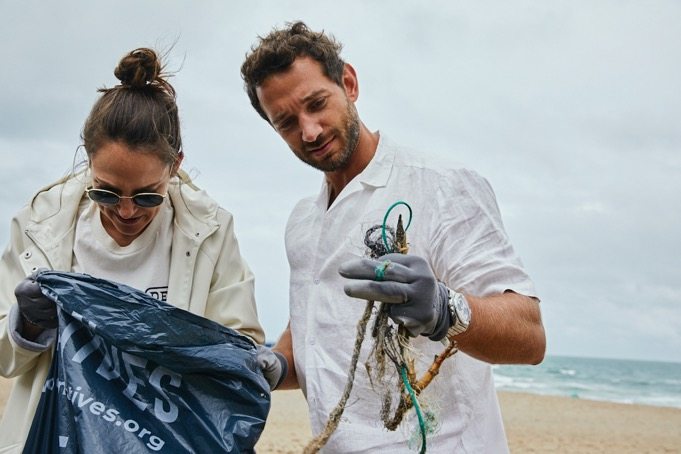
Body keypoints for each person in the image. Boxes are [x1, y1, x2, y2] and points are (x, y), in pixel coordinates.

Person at [241, 21, 546, 452]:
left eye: (317, 103)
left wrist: (445, 308)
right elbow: (315, 334)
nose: (309, 131)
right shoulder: (303, 221)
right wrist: (275, 365)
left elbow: (530, 336)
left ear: (349, 83)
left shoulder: (441, 185)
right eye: (287, 122)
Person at [0, 47, 281, 453]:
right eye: (106, 193)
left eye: (148, 196)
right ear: (87, 161)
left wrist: (250, 364)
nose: (127, 211)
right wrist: (24, 325)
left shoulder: (211, 232)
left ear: (175, 165)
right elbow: (6, 360)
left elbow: (236, 342)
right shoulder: (39, 225)